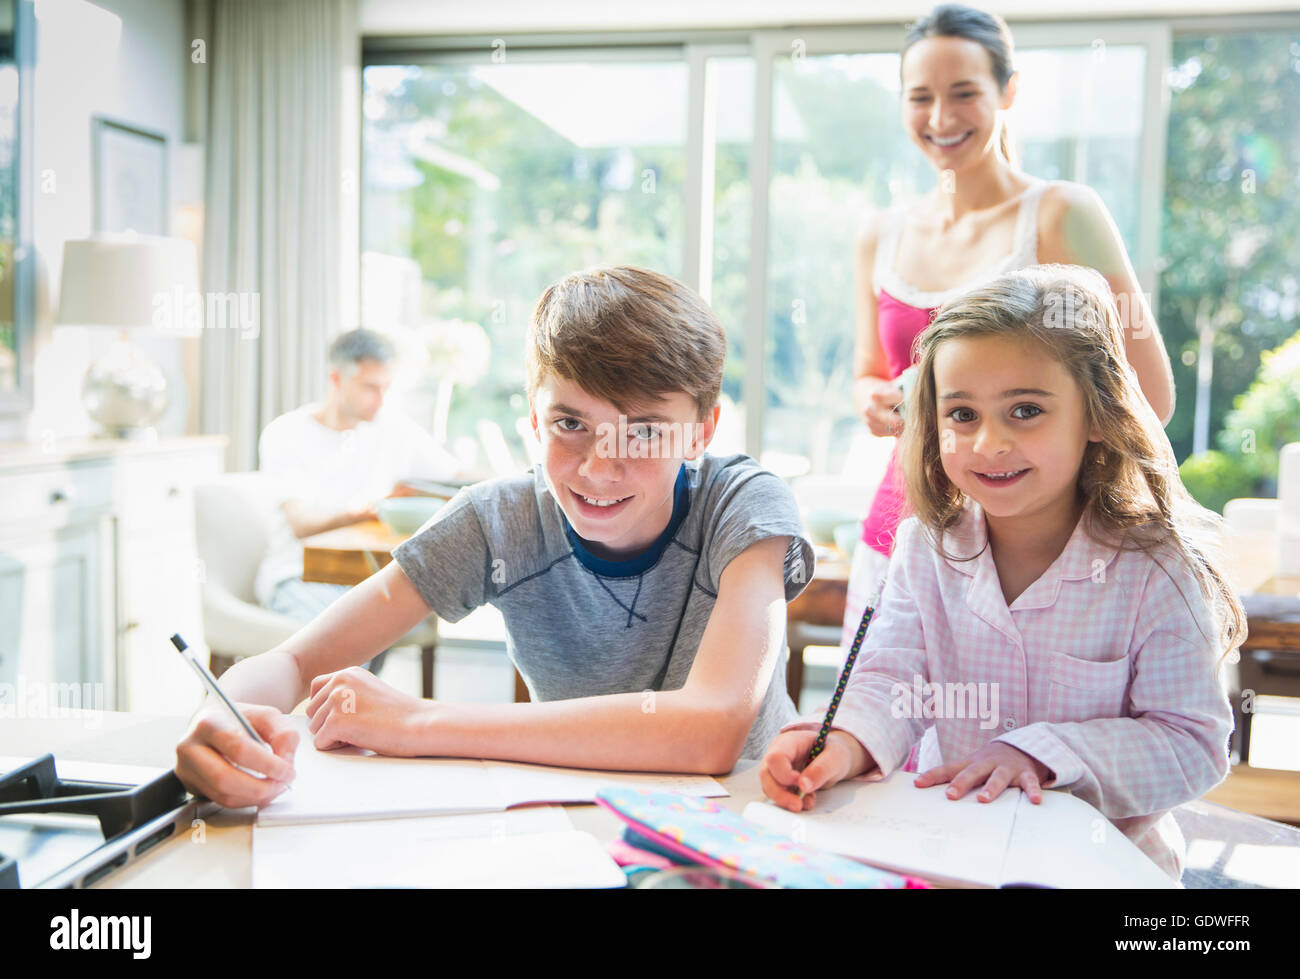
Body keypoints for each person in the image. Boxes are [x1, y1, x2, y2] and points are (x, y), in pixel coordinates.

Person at [174, 266, 815, 809]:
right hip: (580, 816)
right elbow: (290, 662)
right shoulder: (497, 520)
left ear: (703, 432)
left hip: (749, 817)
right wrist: (219, 717)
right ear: (534, 417)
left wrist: (420, 721)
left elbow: (711, 731)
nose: (598, 466)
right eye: (570, 423)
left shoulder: (745, 503)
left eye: (645, 431)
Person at [760, 266, 1243, 881]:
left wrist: (1040, 753)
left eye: (1025, 410)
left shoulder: (1159, 569)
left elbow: (1192, 744)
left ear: (1097, 416)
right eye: (962, 415)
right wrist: (842, 744)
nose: (989, 442)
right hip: (948, 856)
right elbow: (890, 682)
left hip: (1105, 870)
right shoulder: (923, 547)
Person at [844, 3, 1176, 647]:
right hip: (896, 534)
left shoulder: (1062, 214)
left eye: (964, 93)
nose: (940, 119)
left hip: (1031, 551)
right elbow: (865, 373)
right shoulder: (879, 235)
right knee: (881, 734)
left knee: (1010, 745)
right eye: (921, 98)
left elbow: (1150, 397)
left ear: (1009, 91)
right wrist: (876, 400)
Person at [254, 328, 461, 673]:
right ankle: (333, 716)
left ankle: (354, 713)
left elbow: (453, 474)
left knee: (393, 617)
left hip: (364, 577)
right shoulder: (286, 434)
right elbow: (302, 523)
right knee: (347, 645)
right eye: (369, 387)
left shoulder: (392, 429)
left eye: (385, 388)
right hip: (298, 574)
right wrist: (370, 509)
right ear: (336, 378)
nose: (379, 399)